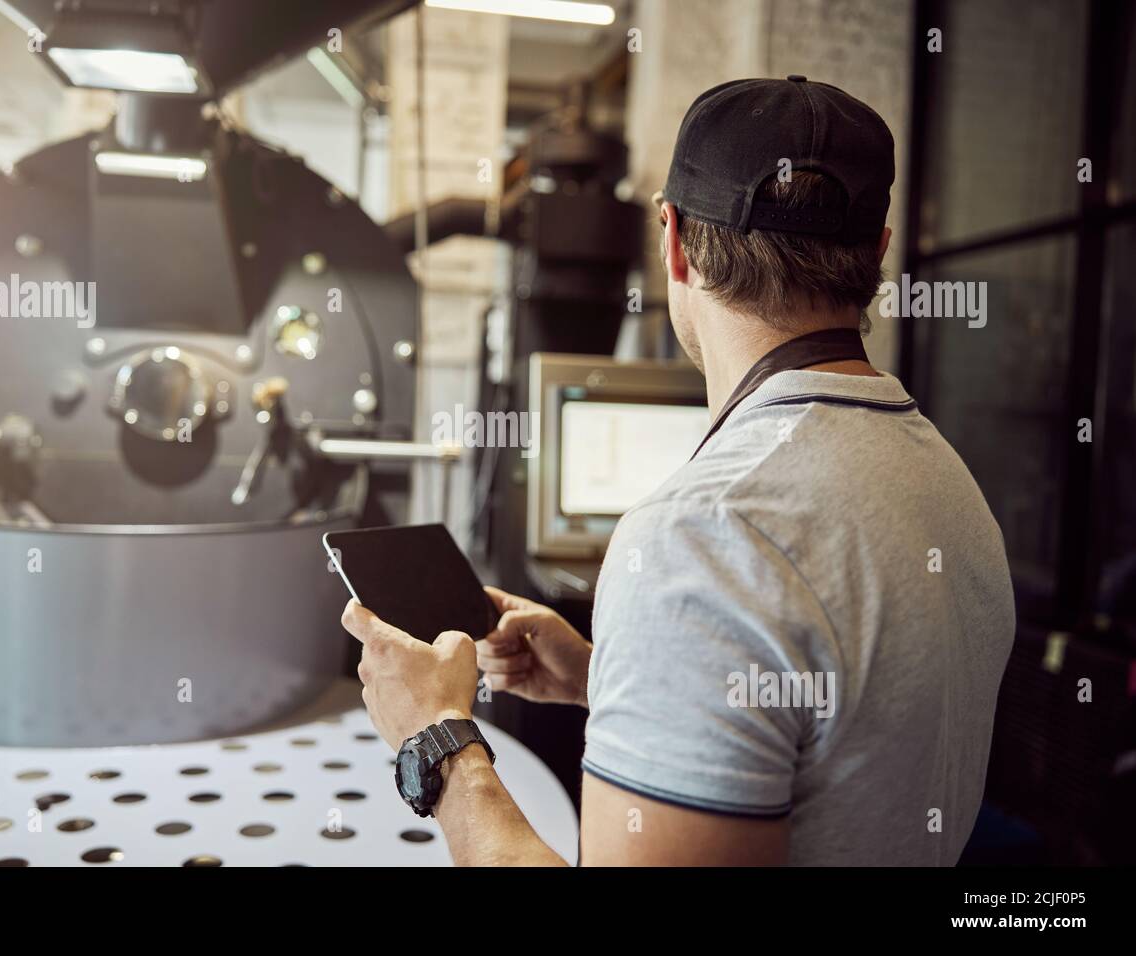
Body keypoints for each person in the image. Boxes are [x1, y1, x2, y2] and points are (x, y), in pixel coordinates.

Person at [341, 76, 1015, 866]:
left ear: (674, 242)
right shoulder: (952, 486)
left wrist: (437, 740)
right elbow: (844, 735)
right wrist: (612, 677)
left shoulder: (697, 539)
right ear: (878, 251)